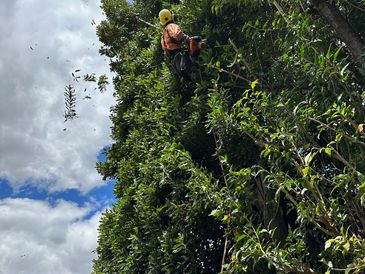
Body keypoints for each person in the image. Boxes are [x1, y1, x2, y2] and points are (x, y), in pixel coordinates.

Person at [159, 9, 193, 79]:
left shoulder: (163, 36)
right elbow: (178, 36)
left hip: (177, 65)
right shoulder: (171, 26)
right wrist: (186, 38)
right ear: (170, 16)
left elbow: (165, 51)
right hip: (182, 59)